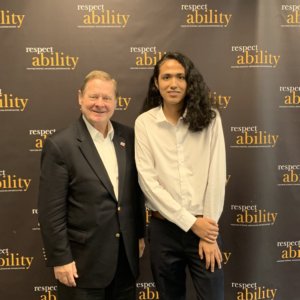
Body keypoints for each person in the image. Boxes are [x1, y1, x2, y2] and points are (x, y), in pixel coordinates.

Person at [38, 70, 145, 300]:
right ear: (80, 98)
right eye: (93, 97)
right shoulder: (60, 145)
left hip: (125, 263)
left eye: (106, 98)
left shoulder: (129, 137)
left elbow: (134, 194)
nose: (100, 104)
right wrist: (61, 259)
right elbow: (50, 212)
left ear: (116, 101)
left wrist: (139, 235)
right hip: (81, 266)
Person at [134, 52, 226, 300]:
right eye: (166, 77)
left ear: (189, 82)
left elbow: (216, 177)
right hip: (164, 230)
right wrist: (190, 222)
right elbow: (148, 183)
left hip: (205, 228)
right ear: (156, 83)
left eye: (180, 77)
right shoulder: (144, 124)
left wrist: (206, 231)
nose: (173, 83)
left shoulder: (211, 119)